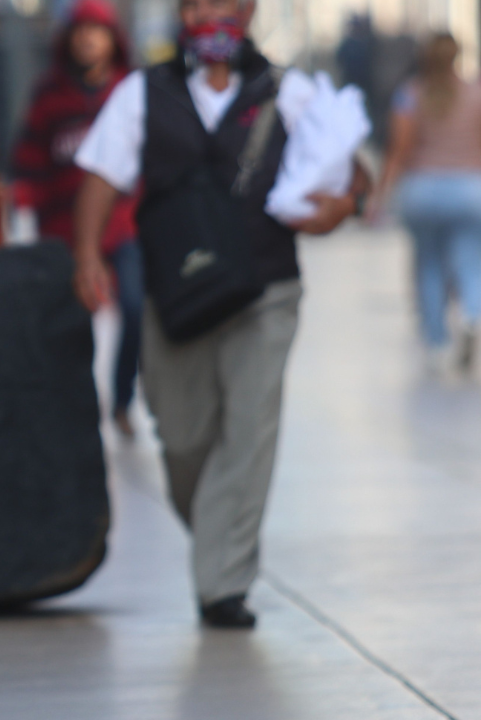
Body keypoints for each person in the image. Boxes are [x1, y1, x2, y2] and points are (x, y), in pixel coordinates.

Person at [72, 0, 368, 628]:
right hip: (177, 294)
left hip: (266, 288)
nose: (214, 14)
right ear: (182, 13)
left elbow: (352, 171)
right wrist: (87, 256)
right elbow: (100, 177)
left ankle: (221, 585)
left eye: (227, 1)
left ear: (250, 10)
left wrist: (341, 207)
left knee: (250, 429)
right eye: (200, 2)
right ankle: (220, 539)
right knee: (181, 438)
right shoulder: (143, 93)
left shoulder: (288, 91)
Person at [11, 0, 142, 437]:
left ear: (113, 39)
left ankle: (123, 400)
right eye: (80, 30)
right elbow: (28, 160)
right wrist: (24, 207)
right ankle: (79, 415)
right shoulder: (49, 95)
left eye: (97, 30)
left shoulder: (129, 91)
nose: (87, 39)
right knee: (72, 327)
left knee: (136, 307)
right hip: (64, 232)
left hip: (124, 225)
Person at [372, 32, 481, 372]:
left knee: (428, 263)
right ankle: (472, 315)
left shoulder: (410, 95)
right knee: (470, 260)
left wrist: (380, 195)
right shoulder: (475, 93)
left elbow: (399, 150)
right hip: (468, 189)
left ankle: (435, 340)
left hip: (423, 190)